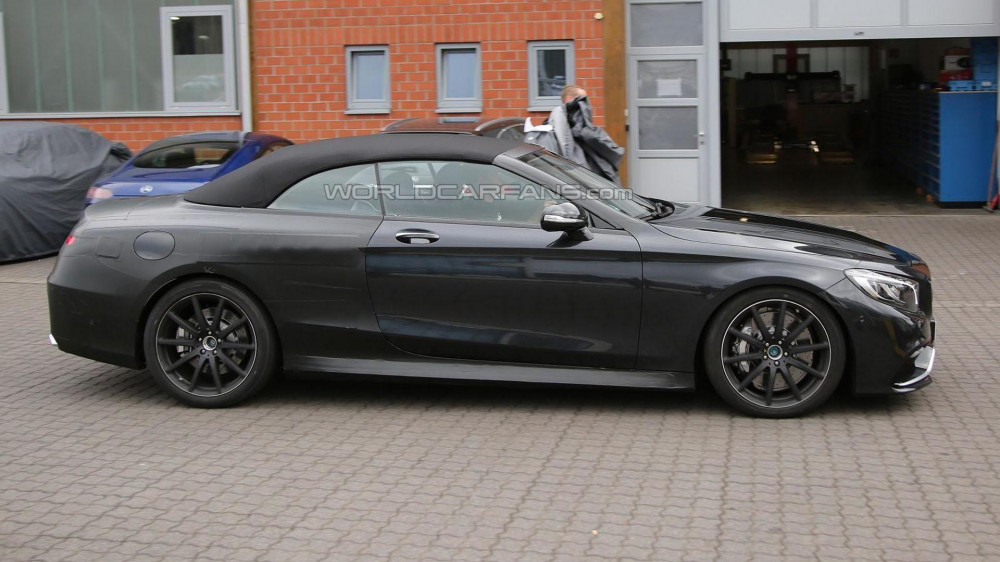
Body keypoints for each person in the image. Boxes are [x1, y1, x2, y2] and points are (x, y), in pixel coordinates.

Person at [523, 85, 625, 186]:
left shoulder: (584, 130)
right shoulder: (551, 134)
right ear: (570, 99)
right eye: (583, 100)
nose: (587, 105)